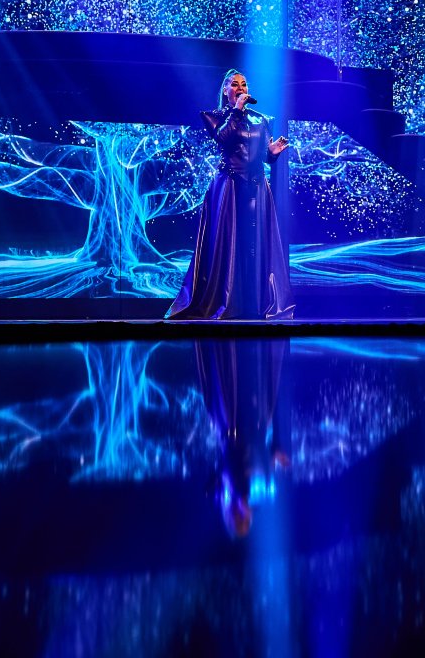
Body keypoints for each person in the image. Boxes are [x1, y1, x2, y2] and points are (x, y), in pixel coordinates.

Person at [167, 69, 295, 320]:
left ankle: (255, 304)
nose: (240, 88)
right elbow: (223, 138)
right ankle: (225, 303)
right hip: (229, 186)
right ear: (226, 91)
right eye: (234, 85)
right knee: (229, 244)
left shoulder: (261, 119)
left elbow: (263, 155)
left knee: (255, 244)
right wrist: (236, 110)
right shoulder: (213, 116)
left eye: (243, 84)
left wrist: (272, 153)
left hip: (257, 187)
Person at [195, 338, 290, 538]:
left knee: (230, 364)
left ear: (231, 516)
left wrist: (239, 497)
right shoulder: (261, 491)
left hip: (232, 417)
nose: (244, 515)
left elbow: (228, 468)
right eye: (245, 520)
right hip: (257, 419)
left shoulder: (222, 491)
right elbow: (262, 457)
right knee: (257, 365)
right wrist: (275, 452)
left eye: (239, 519)